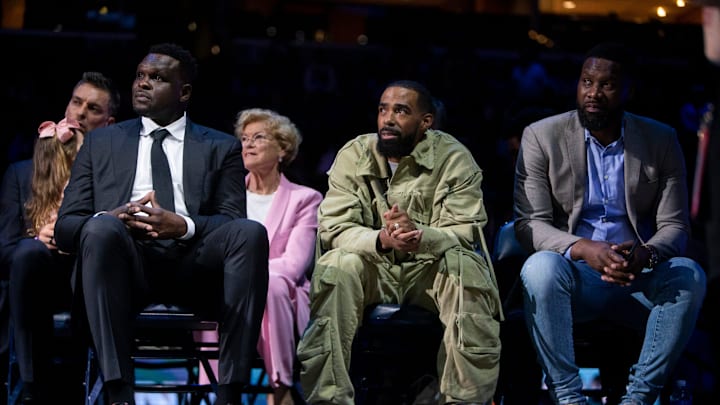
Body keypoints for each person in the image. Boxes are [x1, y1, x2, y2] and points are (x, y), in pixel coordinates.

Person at [54, 43, 269, 405]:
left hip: (193, 267)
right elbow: (66, 227)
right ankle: (117, 391)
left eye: (157, 78)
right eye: (140, 76)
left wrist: (182, 225)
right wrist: (113, 217)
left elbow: (232, 222)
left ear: (183, 92)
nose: (143, 84)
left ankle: (230, 392)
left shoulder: (220, 147)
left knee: (250, 233)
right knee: (101, 226)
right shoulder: (101, 142)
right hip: (125, 266)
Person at [513, 42, 707, 405]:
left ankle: (638, 398)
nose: (593, 94)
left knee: (689, 273)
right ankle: (569, 397)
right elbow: (530, 225)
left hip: (637, 276)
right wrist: (584, 248)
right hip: (574, 274)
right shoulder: (541, 135)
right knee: (539, 267)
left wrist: (645, 255)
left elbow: (676, 227)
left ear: (628, 90)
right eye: (587, 82)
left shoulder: (661, 140)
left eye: (607, 85)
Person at [296, 80, 502, 405]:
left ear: (426, 122)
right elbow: (335, 227)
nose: (388, 118)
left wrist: (420, 236)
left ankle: (464, 400)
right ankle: (328, 399)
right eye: (383, 109)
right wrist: (382, 238)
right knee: (337, 265)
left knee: (465, 268)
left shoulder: (454, 158)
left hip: (429, 269)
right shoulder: (355, 154)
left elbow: (464, 231)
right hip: (372, 266)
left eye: (401, 111)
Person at [0, 71, 120, 403]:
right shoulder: (21, 173)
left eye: (93, 109)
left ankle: (86, 385)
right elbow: (4, 248)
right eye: (77, 102)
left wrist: (74, 235)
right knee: (27, 253)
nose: (80, 113)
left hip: (86, 280)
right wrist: (38, 239)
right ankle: (30, 385)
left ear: (108, 124)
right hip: (34, 279)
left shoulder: (111, 177)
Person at [197, 108, 322, 405]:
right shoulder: (225, 196)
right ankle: (222, 389)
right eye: (244, 138)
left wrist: (244, 274)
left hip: (281, 299)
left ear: (282, 149)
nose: (247, 144)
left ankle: (280, 386)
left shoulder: (305, 199)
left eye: (258, 137)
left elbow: (293, 266)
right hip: (227, 298)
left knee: (276, 282)